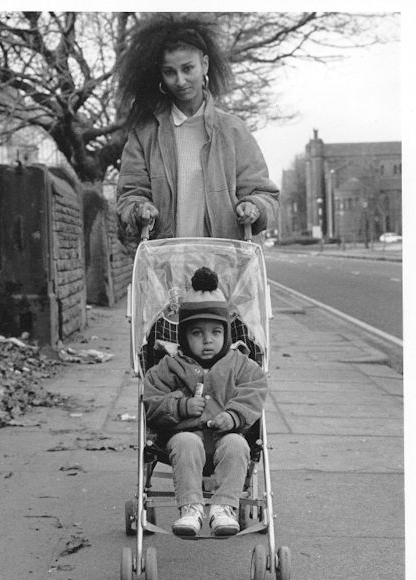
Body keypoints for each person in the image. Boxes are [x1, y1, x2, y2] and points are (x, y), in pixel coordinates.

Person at [116, 14, 279, 243]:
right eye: (170, 72)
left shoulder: (233, 131)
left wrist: (253, 207)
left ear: (204, 64)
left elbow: (264, 194)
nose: (180, 81)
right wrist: (139, 210)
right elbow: (129, 194)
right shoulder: (144, 135)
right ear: (160, 75)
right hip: (165, 267)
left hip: (224, 267)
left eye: (187, 68)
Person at [143, 266, 267, 537]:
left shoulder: (238, 363)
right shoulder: (171, 365)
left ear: (226, 333)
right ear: (184, 336)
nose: (208, 340)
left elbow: (255, 389)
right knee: (186, 442)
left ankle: (223, 508)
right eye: (197, 333)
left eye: (215, 332)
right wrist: (180, 406)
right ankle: (191, 508)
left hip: (227, 436)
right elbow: (152, 399)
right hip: (182, 439)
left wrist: (234, 415)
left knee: (237, 444)